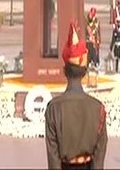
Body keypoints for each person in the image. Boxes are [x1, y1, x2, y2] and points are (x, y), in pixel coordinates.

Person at [45, 22, 108, 169]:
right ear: (84, 71)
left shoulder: (54, 108)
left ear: (64, 71)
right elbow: (99, 154)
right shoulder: (97, 108)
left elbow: (53, 158)